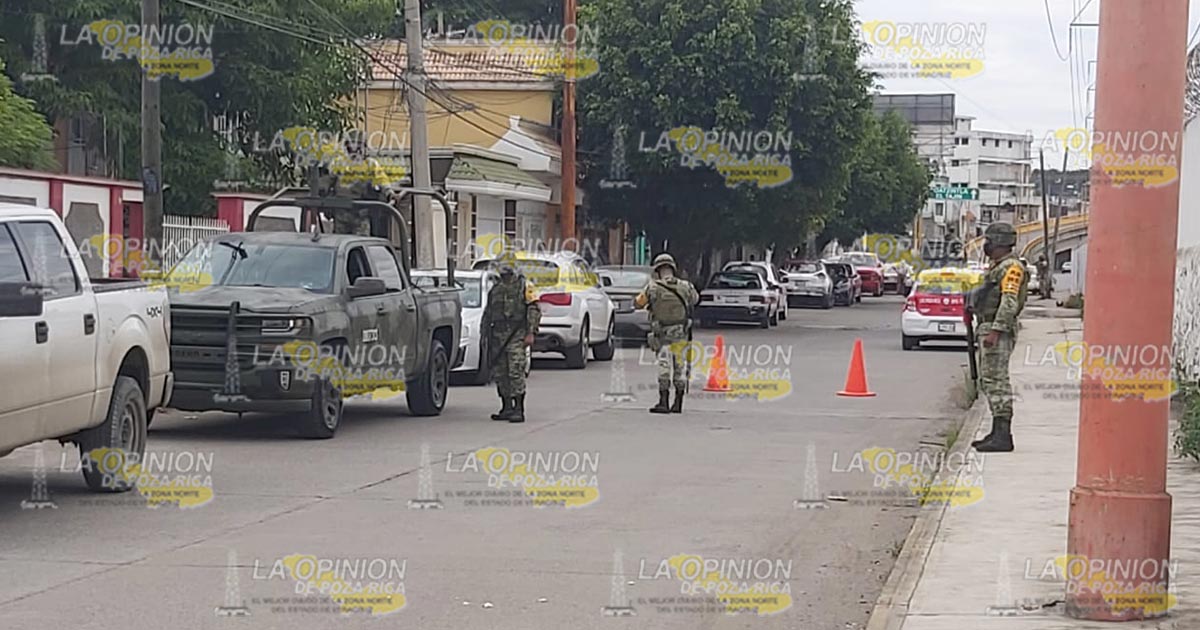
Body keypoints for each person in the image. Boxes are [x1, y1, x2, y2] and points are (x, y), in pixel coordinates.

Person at [968, 222, 1029, 452]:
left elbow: (1009, 301)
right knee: (988, 380)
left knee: (997, 381)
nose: (987, 245)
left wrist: (996, 331)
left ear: (1000, 243)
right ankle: (996, 431)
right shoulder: (998, 266)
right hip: (988, 326)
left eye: (990, 241)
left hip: (997, 330)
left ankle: (1003, 435)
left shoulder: (1011, 268)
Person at [635, 253, 699, 414]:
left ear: (657, 270)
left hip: (661, 332)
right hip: (680, 332)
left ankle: (663, 401)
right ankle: (678, 402)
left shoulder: (652, 287)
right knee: (679, 366)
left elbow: (639, 302)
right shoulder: (685, 286)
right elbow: (695, 299)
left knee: (664, 365)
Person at [482, 251, 541, 423]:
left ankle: (519, 409)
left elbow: (533, 309)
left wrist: (531, 332)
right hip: (498, 336)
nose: (504, 270)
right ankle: (506, 406)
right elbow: (489, 313)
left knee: (515, 370)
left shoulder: (525, 286)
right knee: (501, 373)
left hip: (517, 334)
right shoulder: (496, 289)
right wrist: (485, 335)